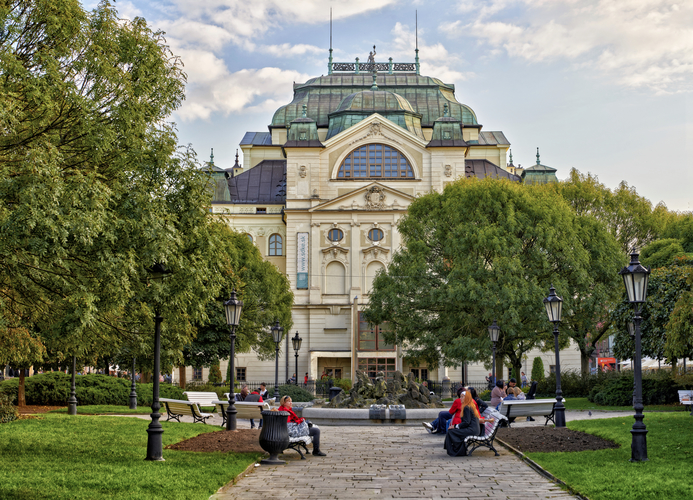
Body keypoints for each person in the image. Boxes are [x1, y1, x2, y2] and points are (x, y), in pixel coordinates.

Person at [443, 391, 481, 456]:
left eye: (462, 397)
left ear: (466, 398)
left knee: (451, 431)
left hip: (471, 430)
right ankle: (457, 449)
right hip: (474, 429)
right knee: (452, 431)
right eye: (460, 396)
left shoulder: (467, 407)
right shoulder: (470, 405)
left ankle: (456, 451)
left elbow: (466, 422)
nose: (460, 398)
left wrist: (455, 426)